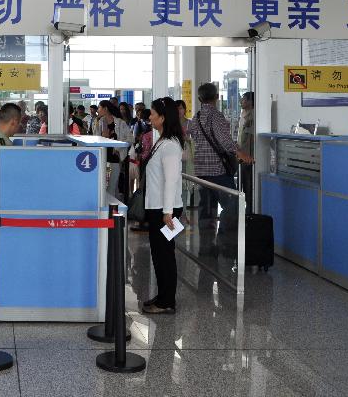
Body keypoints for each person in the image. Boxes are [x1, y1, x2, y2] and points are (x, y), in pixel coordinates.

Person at [141, 97, 185, 315]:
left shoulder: (170, 146)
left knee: (164, 255)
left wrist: (167, 212)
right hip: (158, 207)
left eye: (152, 113)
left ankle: (167, 301)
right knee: (159, 255)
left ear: (163, 117)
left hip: (165, 210)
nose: (149, 117)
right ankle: (162, 295)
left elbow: (171, 180)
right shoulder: (162, 141)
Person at [188, 83, 254, 224]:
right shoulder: (216, 116)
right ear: (217, 97)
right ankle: (225, 241)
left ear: (199, 99)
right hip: (216, 169)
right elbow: (225, 141)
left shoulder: (196, 117)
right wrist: (240, 153)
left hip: (200, 170)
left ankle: (206, 243)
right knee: (232, 204)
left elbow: (193, 136)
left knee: (206, 207)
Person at [98, 100, 131, 198]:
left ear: (106, 108)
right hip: (102, 158)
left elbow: (130, 139)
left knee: (111, 187)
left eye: (99, 107)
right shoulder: (99, 122)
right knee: (105, 186)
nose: (98, 110)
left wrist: (118, 148)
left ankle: (111, 210)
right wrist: (103, 137)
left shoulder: (120, 123)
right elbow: (94, 140)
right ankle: (113, 209)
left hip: (114, 158)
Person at [237, 92, 255, 208]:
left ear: (250, 101)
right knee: (241, 183)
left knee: (248, 184)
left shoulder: (253, 116)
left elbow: (251, 138)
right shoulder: (243, 114)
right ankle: (242, 209)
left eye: (243, 100)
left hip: (247, 155)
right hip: (241, 154)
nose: (241, 102)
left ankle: (249, 210)